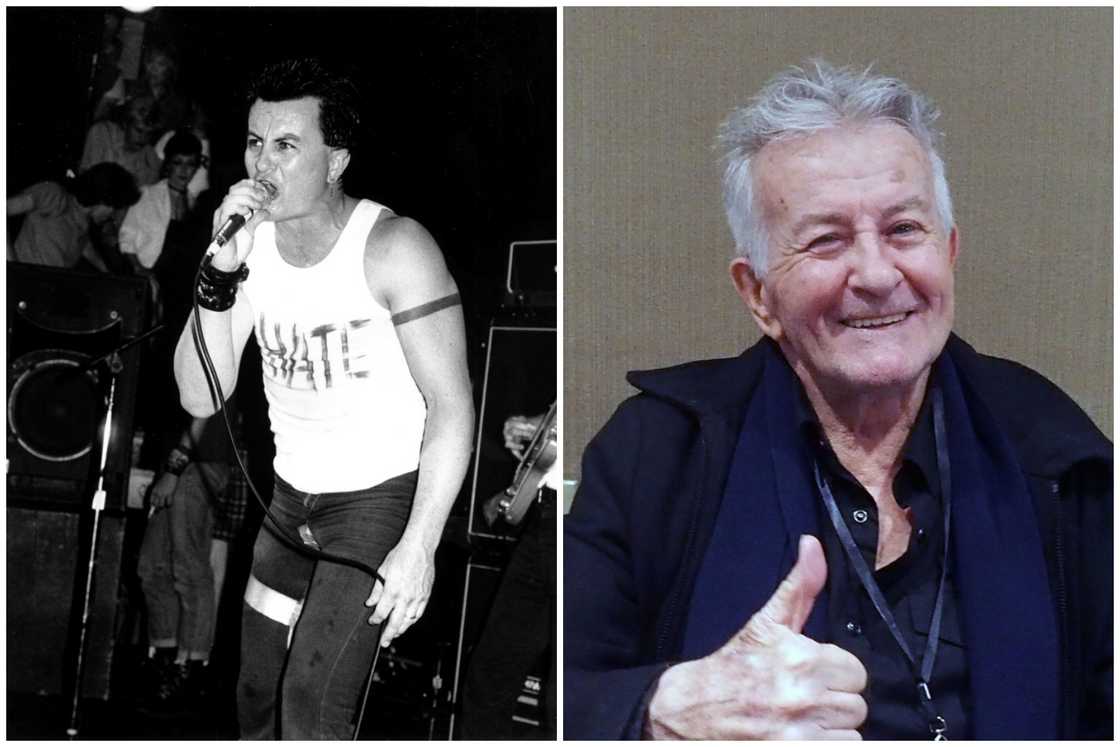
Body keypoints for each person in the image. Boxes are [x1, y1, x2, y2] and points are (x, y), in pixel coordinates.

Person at [564, 60, 1112, 741]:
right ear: (757, 293)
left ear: (949, 252)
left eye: (904, 230)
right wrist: (659, 709)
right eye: (826, 240)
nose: (878, 274)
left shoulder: (1058, 456)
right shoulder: (654, 453)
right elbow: (559, 694)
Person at [172, 57, 474, 739]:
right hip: (287, 502)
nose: (263, 165)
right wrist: (218, 276)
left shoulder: (394, 247)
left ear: (335, 160)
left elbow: (452, 405)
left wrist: (419, 545)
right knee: (255, 692)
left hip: (375, 504)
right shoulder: (248, 250)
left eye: (286, 145)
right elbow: (198, 395)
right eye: (254, 142)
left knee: (311, 699)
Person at [459, 409, 557, 739]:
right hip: (547, 516)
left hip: (586, 516)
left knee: (566, 691)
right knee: (490, 674)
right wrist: (540, 429)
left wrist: (544, 430)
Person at [136, 413, 233, 710]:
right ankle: (165, 660)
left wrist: (174, 470)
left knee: (189, 569)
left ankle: (189, 669)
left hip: (198, 465)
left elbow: (201, 409)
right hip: (180, 463)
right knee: (152, 567)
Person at [7, 161, 139, 270]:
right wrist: (13, 267)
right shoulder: (53, 195)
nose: (112, 216)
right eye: (114, 209)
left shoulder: (83, 224)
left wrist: (111, 276)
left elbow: (87, 249)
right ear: (104, 199)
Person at [81, 93, 163, 188]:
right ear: (125, 124)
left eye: (148, 134)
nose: (143, 139)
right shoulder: (102, 133)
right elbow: (88, 178)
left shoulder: (151, 160)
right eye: (139, 131)